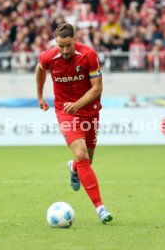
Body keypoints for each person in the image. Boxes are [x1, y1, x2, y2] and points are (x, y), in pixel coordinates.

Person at [35, 23, 113, 224]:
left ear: (75, 40)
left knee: (87, 160)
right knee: (81, 154)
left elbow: (97, 88)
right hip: (65, 111)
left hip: (89, 110)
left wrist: (77, 105)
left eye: (68, 45)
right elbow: (40, 69)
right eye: (60, 46)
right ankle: (100, 208)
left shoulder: (89, 55)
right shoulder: (48, 57)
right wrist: (40, 96)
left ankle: (74, 168)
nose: (64, 50)